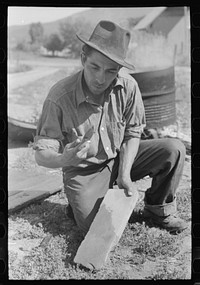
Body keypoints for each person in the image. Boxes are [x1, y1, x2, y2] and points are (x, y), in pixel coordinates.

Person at [33, 20, 187, 236]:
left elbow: (133, 133)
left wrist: (124, 174)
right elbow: (41, 154)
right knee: (96, 230)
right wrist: (63, 159)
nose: (100, 78)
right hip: (84, 171)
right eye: (94, 67)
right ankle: (80, 202)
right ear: (83, 59)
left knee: (173, 149)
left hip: (120, 160)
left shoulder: (129, 86)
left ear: (119, 69)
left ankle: (156, 209)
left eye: (110, 71)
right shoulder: (59, 97)